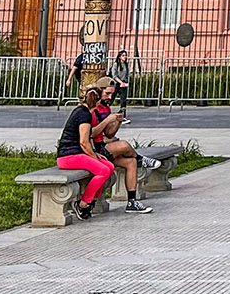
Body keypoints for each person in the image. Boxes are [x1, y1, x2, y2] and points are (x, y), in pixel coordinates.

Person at [92, 80, 157, 213]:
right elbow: (90, 133)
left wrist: (117, 122)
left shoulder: (106, 108)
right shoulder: (90, 109)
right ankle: (141, 159)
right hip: (92, 149)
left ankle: (132, 202)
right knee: (123, 145)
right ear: (99, 91)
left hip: (102, 146)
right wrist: (107, 120)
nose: (110, 97)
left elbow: (109, 134)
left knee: (130, 162)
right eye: (107, 93)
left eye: (112, 94)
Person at [56, 86, 116, 221]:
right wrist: (93, 157)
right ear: (97, 101)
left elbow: (88, 139)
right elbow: (84, 142)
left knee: (109, 166)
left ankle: (91, 201)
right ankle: (83, 204)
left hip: (78, 154)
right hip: (68, 156)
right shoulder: (84, 114)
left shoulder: (84, 112)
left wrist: (95, 153)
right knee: (103, 170)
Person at [111, 52, 132, 121]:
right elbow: (114, 75)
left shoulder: (126, 64)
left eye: (125, 55)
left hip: (124, 84)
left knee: (123, 100)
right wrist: (120, 82)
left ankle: (123, 114)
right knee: (111, 98)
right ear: (119, 57)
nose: (125, 57)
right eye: (123, 55)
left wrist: (126, 82)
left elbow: (127, 74)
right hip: (116, 83)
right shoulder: (116, 64)